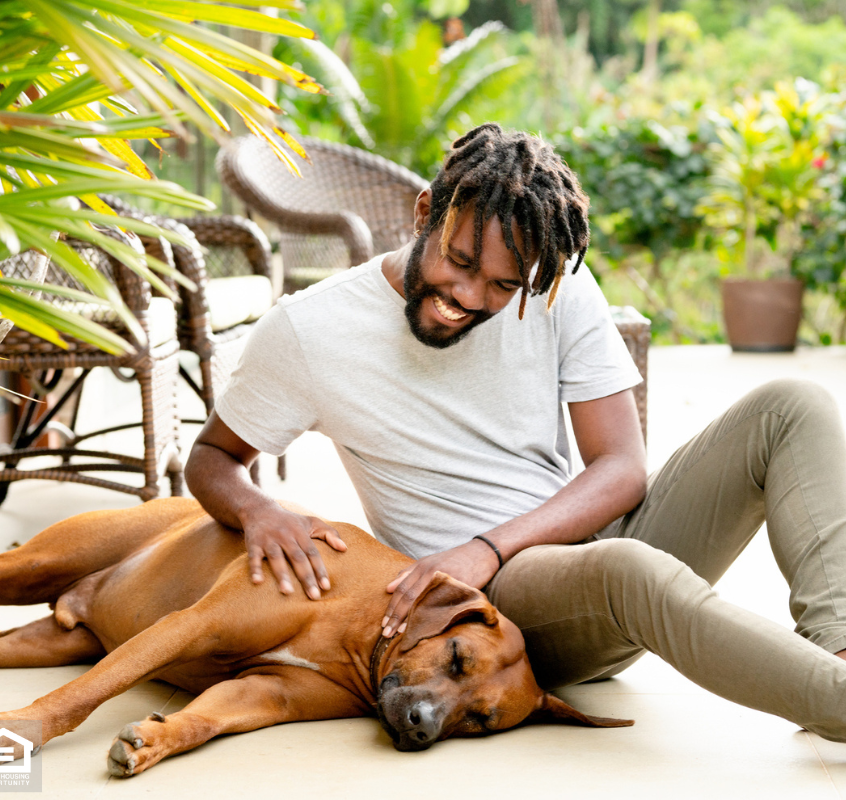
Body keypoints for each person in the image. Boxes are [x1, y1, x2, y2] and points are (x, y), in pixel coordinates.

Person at [186, 123, 846, 741]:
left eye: (502, 284)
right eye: (459, 260)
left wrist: (490, 545)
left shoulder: (555, 281)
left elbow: (620, 468)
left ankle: (836, 658)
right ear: (424, 214)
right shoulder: (311, 330)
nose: (469, 295)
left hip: (569, 551)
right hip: (489, 614)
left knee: (790, 405)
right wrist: (257, 508)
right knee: (628, 568)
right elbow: (213, 456)